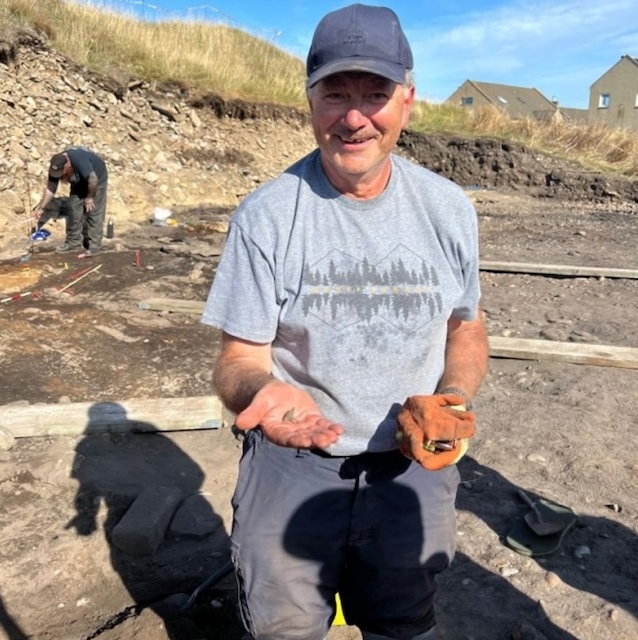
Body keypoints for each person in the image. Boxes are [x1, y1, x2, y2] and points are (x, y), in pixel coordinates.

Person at [202, 4, 489, 640]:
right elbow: (237, 361)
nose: (354, 117)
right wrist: (261, 391)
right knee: (284, 628)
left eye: (375, 94)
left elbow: (465, 326)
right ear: (309, 101)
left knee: (404, 622)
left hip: (412, 467)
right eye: (335, 93)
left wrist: (455, 397)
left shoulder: (448, 210)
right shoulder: (268, 217)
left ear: (407, 102)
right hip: (292, 469)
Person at [33, 147, 108, 255]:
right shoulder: (56, 165)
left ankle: (95, 246)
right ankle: (73, 242)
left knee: (94, 212)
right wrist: (41, 208)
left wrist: (90, 198)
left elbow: (93, 179)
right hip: (78, 180)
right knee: (74, 208)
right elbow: (50, 189)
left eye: (62, 173)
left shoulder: (79, 161)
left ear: (68, 165)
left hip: (97, 180)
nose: (60, 176)